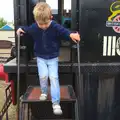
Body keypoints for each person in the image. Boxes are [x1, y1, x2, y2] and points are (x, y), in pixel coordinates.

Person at [16, 2, 80, 115]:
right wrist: (20, 29)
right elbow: (26, 29)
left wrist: (71, 35)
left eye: (46, 24)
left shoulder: (54, 25)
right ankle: (44, 92)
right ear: (36, 20)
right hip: (40, 58)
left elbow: (63, 31)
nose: (44, 26)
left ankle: (56, 103)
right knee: (43, 76)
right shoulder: (35, 27)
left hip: (53, 58)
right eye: (40, 24)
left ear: (50, 18)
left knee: (54, 78)